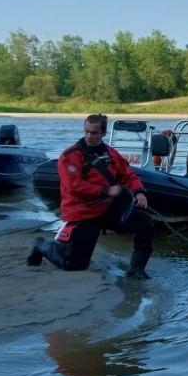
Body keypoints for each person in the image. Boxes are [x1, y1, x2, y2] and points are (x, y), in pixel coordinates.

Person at [27, 114, 154, 279]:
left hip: (106, 208)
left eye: (94, 133)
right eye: (86, 131)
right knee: (73, 265)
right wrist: (106, 191)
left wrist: (139, 192)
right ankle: (41, 245)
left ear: (103, 133)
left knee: (145, 222)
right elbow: (75, 187)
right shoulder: (70, 156)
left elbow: (128, 175)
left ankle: (136, 269)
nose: (89, 136)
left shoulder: (111, 154)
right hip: (82, 212)